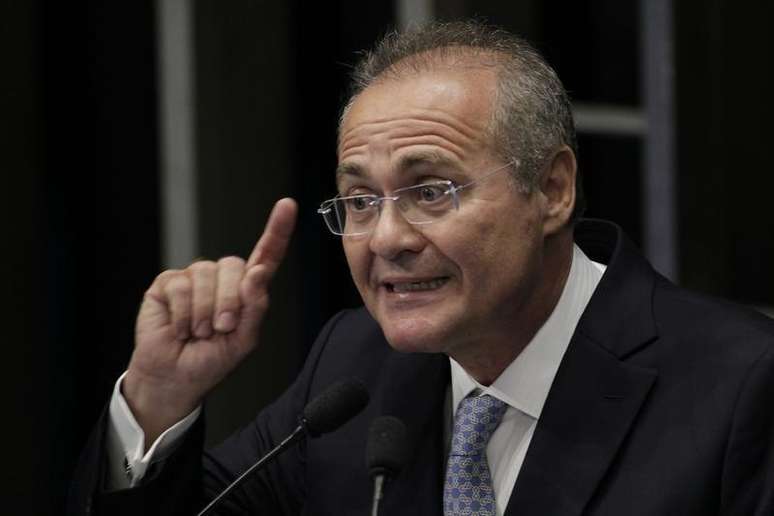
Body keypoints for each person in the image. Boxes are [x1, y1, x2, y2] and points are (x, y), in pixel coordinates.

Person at [69, 21, 774, 516]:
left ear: (553, 189)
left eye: (431, 191)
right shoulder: (353, 368)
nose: (387, 238)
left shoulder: (743, 388)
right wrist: (158, 400)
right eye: (359, 200)